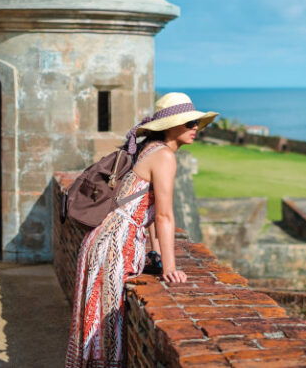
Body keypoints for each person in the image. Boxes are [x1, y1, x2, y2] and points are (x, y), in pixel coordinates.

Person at [65, 92, 217, 367]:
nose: (195, 128)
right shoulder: (164, 157)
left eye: (196, 122)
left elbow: (151, 217)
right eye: (189, 122)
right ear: (171, 126)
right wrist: (171, 267)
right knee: (107, 334)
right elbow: (164, 216)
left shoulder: (149, 149)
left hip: (104, 241)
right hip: (114, 247)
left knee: (96, 332)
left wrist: (157, 255)